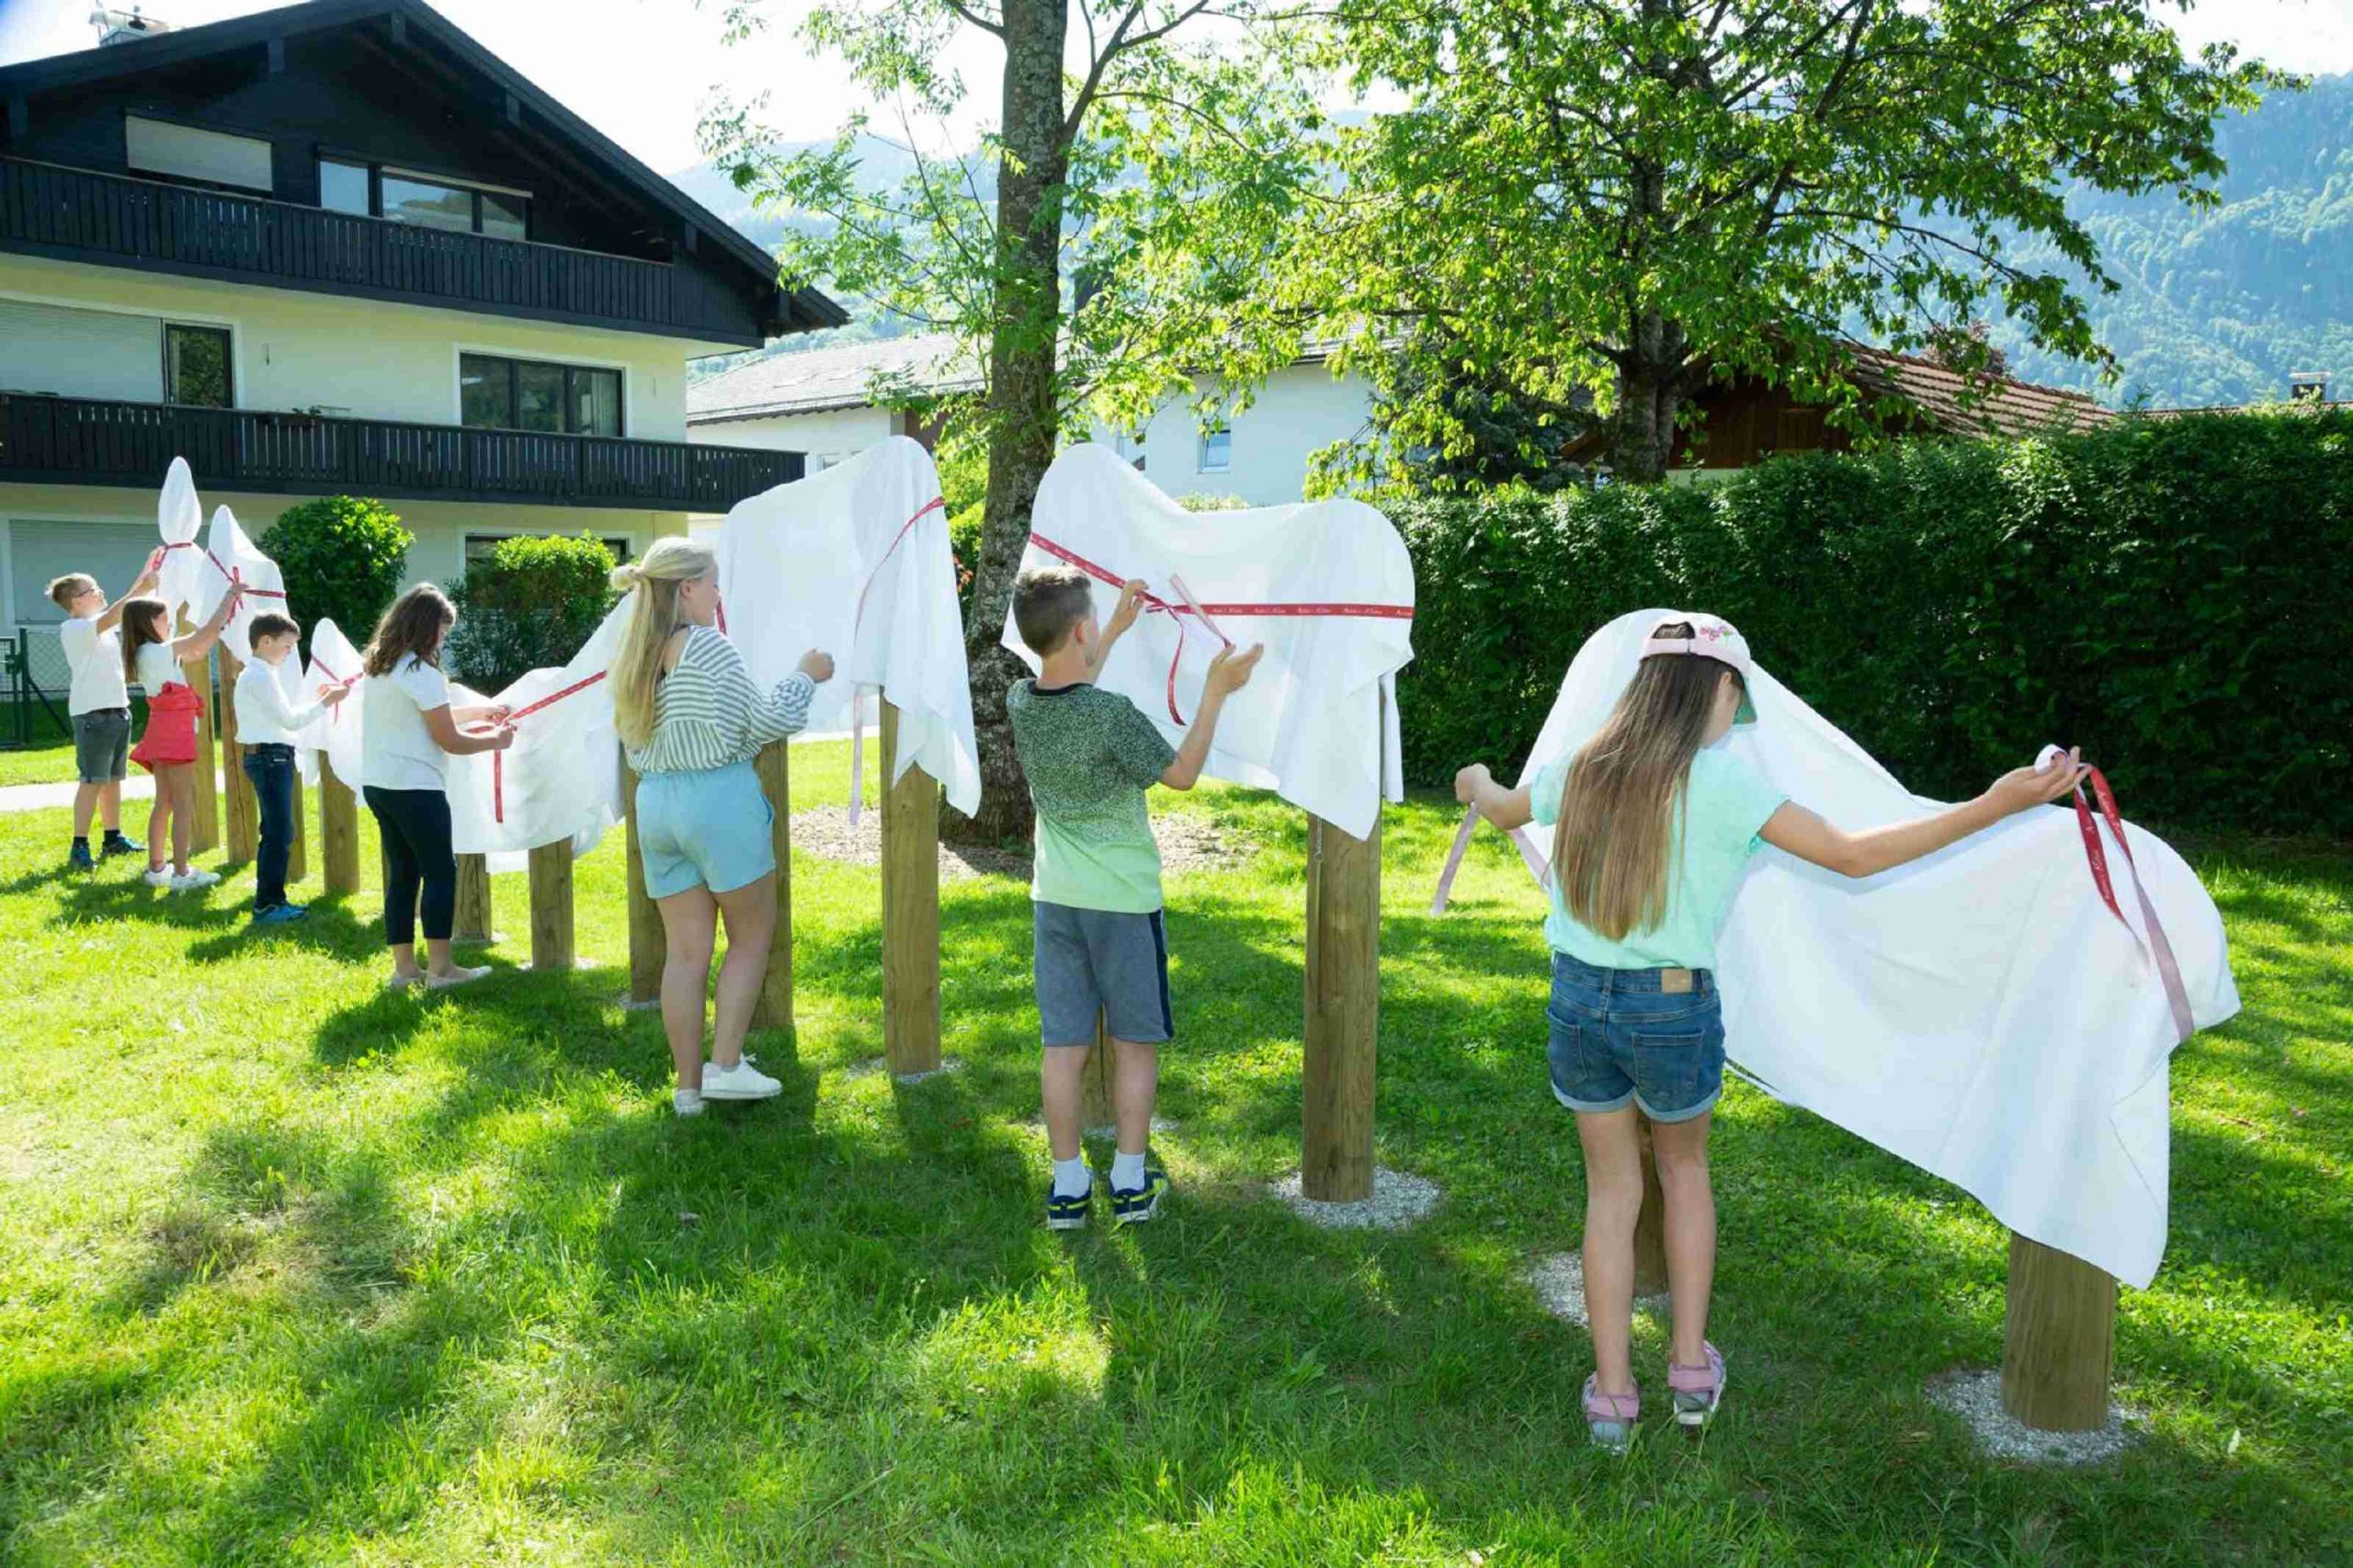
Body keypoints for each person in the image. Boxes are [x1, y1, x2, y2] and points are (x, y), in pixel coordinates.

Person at [1451, 615, 2089, 1451]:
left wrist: (1475, 779)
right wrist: (1994, 805)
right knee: (1684, 1174)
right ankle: (1688, 1373)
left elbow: (1502, 807)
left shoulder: (1582, 765)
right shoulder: (1724, 784)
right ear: (1718, 689)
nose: (1734, 716)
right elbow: (1854, 855)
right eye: (1736, 700)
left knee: (1610, 1194)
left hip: (1578, 1003)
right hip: (1672, 1012)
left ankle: (1611, 1399)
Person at [1006, 564, 1262, 1230]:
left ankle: (1067, 1188)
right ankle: (1127, 1182)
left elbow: (1071, 687)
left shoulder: (1020, 701)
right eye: (1094, 621)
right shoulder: (1111, 715)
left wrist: (1113, 630)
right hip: (1122, 904)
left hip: (1055, 901)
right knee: (1134, 1045)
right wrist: (1214, 692)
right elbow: (1182, 774)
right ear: (1079, 630)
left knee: (1062, 1048)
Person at [610, 539, 833, 1117]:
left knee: (685, 954)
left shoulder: (634, 653)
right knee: (751, 936)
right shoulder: (706, 646)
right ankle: (727, 1067)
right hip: (716, 801)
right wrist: (806, 676)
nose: (718, 594)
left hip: (656, 805)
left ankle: (688, 1091)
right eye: (713, 582)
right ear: (687, 588)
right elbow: (767, 720)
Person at [358, 585, 513, 991]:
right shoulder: (422, 674)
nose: (442, 641)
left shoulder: (379, 667)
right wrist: (496, 740)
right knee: (441, 872)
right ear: (424, 627)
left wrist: (480, 711)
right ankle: (442, 970)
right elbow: (449, 739)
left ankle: (405, 971)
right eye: (441, 633)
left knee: (403, 875)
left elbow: (427, 715)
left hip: (379, 785)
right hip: (416, 788)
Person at [120, 585, 243, 892]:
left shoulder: (145, 653)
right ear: (150, 623)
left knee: (164, 800)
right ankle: (182, 872)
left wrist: (220, 623)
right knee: (183, 802)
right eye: (165, 619)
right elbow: (204, 636)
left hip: (161, 728)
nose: (170, 624)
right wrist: (228, 599)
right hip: (175, 731)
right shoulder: (160, 650)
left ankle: (156, 867)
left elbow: (199, 649)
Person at [234, 611, 348, 925]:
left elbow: (284, 715)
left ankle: (272, 900)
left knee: (277, 831)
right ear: (265, 641)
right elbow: (291, 721)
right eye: (286, 646)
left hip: (269, 756)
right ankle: (268, 905)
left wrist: (318, 701)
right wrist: (327, 702)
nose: (289, 652)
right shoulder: (260, 677)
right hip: (270, 758)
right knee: (278, 833)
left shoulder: (260, 674)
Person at [51, 559, 162, 871]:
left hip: (117, 710)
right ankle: (79, 845)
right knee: (92, 781)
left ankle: (113, 838)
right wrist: (142, 587)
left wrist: (147, 569)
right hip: (93, 716)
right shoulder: (75, 629)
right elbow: (118, 610)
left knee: (113, 780)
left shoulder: (101, 624)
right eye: (93, 589)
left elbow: (124, 605)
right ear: (77, 601)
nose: (100, 592)